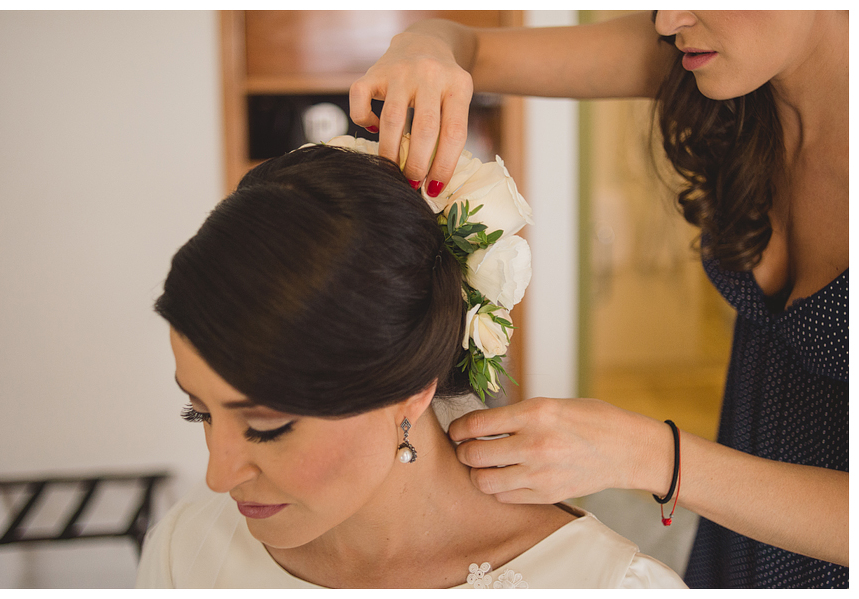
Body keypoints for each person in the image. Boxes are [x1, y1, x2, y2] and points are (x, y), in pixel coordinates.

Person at [348, 10, 848, 588]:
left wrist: (652, 454)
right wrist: (424, 45)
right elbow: (474, 50)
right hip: (737, 533)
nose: (665, 19)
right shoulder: (701, 49)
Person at [135, 143, 686, 588]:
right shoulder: (185, 554)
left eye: (266, 428)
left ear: (412, 389)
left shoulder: (605, 585)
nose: (217, 475)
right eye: (199, 414)